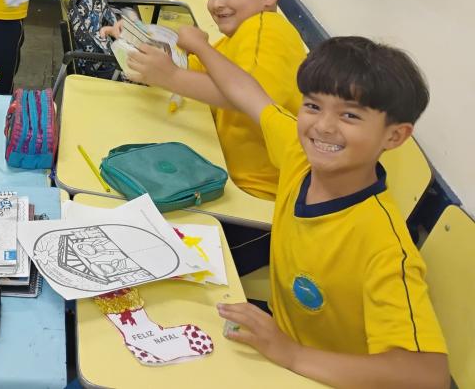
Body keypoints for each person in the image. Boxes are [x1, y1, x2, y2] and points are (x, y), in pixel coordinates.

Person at [177, 29, 449, 388]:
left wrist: (292, 354)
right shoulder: (299, 155)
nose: (323, 126)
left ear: (394, 136)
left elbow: (427, 375)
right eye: (313, 106)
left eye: (350, 115)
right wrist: (200, 47)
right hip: (280, 348)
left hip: (323, 375)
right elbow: (249, 94)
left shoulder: (384, 248)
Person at [103, 0, 306, 202]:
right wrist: (139, 37)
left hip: (253, 194)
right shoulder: (241, 33)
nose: (216, 3)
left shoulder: (265, 30)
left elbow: (251, 99)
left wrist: (172, 76)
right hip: (221, 168)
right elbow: (194, 69)